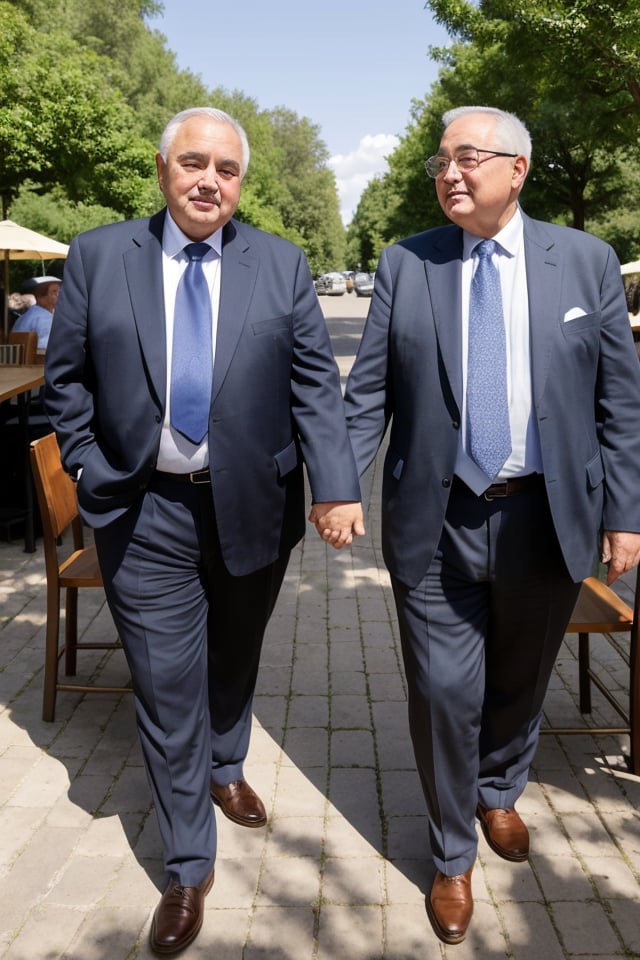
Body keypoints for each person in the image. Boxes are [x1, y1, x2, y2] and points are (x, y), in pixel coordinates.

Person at [44, 106, 364, 956]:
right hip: (140, 510)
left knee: (235, 654)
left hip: (252, 508)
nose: (208, 182)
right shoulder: (100, 255)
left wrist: (335, 488)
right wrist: (85, 465)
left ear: (240, 183)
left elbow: (312, 391)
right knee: (165, 685)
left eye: (225, 170)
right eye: (194, 164)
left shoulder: (282, 264)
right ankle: (188, 865)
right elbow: (66, 378)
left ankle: (227, 764)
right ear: (161, 168)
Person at [339, 105, 640, 945]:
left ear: (518, 168)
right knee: (442, 693)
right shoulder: (407, 262)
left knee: (520, 676)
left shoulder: (585, 262)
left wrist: (627, 514)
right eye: (441, 161)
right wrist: (337, 484)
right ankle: (450, 850)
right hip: (435, 520)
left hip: (546, 518)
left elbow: (621, 403)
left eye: (467, 158)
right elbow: (368, 393)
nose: (449, 174)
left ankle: (500, 787)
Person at [12, 276, 60, 349]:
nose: (58, 295)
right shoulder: (45, 319)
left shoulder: (23, 317)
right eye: (54, 291)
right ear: (41, 295)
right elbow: (47, 351)